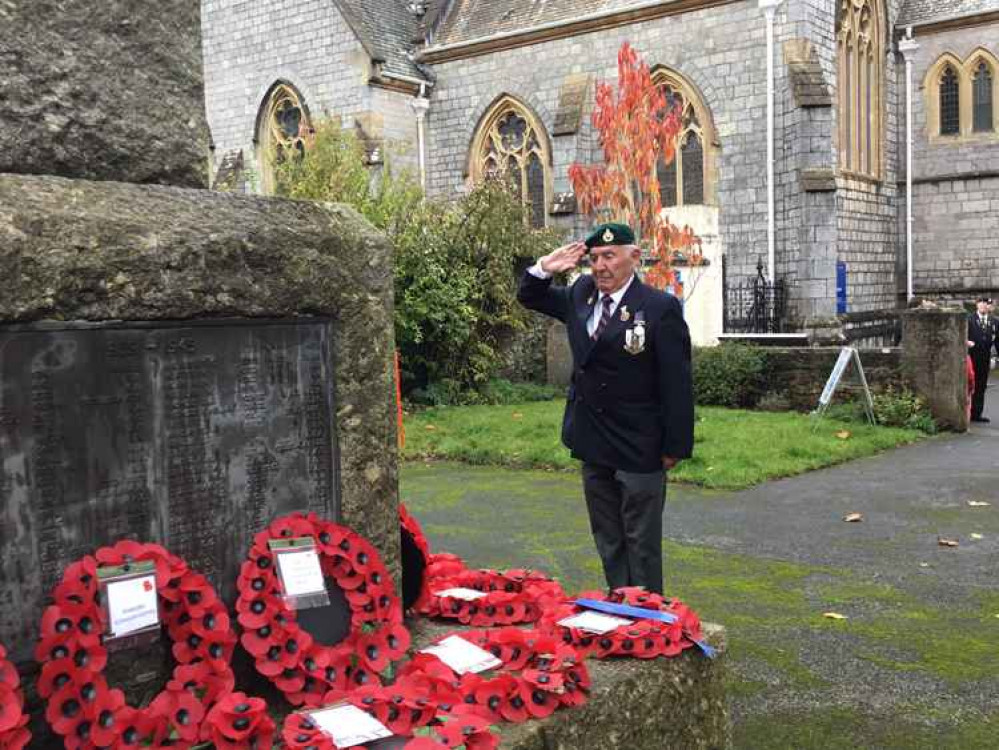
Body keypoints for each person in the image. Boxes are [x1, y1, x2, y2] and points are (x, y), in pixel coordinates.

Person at [517, 222, 694, 594]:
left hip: (639, 442)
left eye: (610, 256)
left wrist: (675, 446)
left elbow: (676, 383)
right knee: (608, 536)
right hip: (592, 438)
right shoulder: (580, 294)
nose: (601, 266)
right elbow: (530, 296)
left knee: (641, 540)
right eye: (595, 258)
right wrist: (543, 268)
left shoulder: (659, 308)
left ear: (633, 257)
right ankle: (618, 604)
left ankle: (647, 616)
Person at [967, 296, 997, 423]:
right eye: (981, 303)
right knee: (969, 385)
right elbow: (962, 335)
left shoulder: (994, 321)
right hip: (971, 357)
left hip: (984, 358)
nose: (984, 305)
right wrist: (967, 342)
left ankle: (977, 414)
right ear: (976, 305)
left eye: (986, 303)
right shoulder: (969, 319)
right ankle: (967, 412)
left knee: (981, 386)